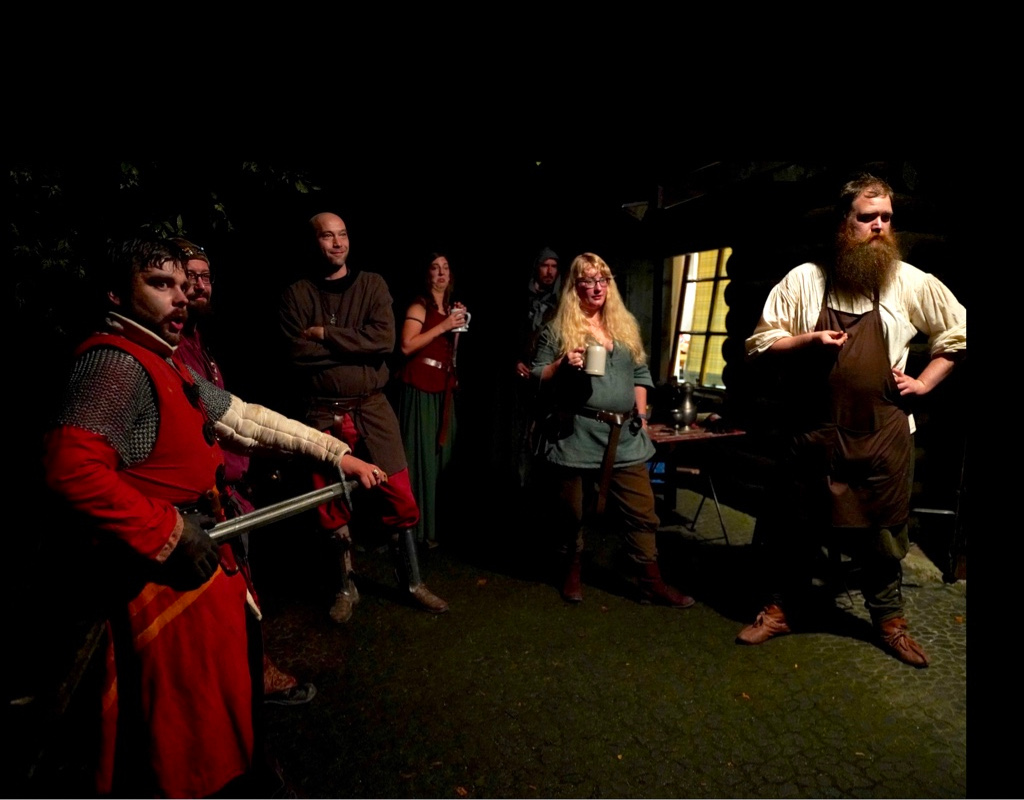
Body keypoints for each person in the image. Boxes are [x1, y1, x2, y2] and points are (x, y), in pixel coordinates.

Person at [42, 237, 386, 798]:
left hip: (203, 566)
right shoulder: (115, 364)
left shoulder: (163, 361)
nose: (180, 297)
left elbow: (244, 420)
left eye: (183, 285)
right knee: (181, 738)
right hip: (161, 585)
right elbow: (70, 470)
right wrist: (169, 531)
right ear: (115, 295)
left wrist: (334, 454)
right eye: (160, 284)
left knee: (220, 718)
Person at [737, 173, 967, 668]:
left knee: (883, 537)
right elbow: (760, 342)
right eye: (867, 217)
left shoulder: (908, 281)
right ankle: (780, 611)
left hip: (882, 439)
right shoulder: (806, 279)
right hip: (815, 433)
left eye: (886, 217)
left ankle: (889, 622)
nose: (879, 226)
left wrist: (926, 382)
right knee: (795, 528)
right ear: (845, 222)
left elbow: (958, 330)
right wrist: (807, 341)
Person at [279, 212, 448, 623]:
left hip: (372, 407)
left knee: (400, 495)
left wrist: (325, 335)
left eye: (342, 235)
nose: (337, 243)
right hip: (322, 412)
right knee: (329, 504)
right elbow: (296, 354)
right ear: (314, 242)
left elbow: (383, 341)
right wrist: (357, 346)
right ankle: (345, 586)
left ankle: (412, 582)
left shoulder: (372, 284)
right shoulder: (296, 295)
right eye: (327, 236)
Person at [170, 237, 316, 707]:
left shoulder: (199, 343)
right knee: (225, 603)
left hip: (227, 493)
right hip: (195, 507)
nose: (197, 287)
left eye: (204, 277)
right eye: (185, 278)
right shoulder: (165, 351)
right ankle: (244, 681)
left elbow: (234, 415)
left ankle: (245, 677)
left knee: (240, 594)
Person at [531, 252, 695, 607]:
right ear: (575, 287)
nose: (597, 287)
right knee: (572, 512)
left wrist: (641, 417)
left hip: (623, 436)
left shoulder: (624, 324)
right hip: (576, 433)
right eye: (588, 280)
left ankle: (650, 580)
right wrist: (561, 365)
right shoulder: (557, 328)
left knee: (642, 510)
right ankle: (572, 568)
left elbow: (639, 374)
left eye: (602, 279)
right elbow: (536, 374)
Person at [395, 252, 467, 549]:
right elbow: (406, 345)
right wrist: (444, 325)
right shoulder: (419, 306)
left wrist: (456, 324)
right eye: (435, 268)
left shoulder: (450, 308)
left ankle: (435, 527)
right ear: (427, 275)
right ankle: (414, 529)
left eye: (445, 268)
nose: (441, 273)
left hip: (443, 389)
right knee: (420, 456)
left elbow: (450, 350)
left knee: (441, 459)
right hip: (420, 387)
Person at [513, 247, 561, 488]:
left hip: (548, 382)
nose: (550, 271)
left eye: (554, 266)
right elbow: (509, 336)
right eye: (545, 265)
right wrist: (514, 361)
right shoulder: (522, 300)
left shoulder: (561, 303)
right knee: (518, 436)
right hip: (520, 382)